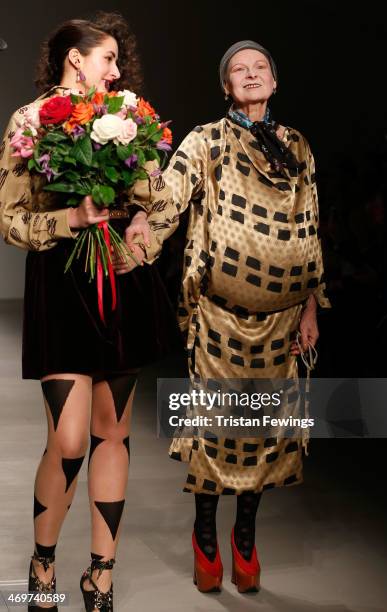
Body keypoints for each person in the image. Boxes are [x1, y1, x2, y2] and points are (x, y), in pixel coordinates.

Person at [129, 40, 330, 593]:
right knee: (218, 431)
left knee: (261, 432)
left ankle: (244, 537)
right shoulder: (206, 141)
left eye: (260, 67)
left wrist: (311, 302)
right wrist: (142, 214)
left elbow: (310, 227)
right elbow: (169, 199)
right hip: (218, 318)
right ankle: (205, 537)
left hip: (283, 322)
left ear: (274, 81)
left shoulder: (297, 146)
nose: (250, 74)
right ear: (225, 86)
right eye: (238, 70)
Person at [0, 12, 179, 612]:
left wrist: (140, 236)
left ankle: (100, 574)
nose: (117, 70)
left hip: (122, 287)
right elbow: (9, 218)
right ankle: (42, 561)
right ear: (75, 58)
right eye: (107, 59)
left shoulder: (130, 116)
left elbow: (157, 202)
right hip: (63, 285)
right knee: (69, 438)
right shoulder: (29, 121)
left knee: (113, 433)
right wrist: (69, 220)